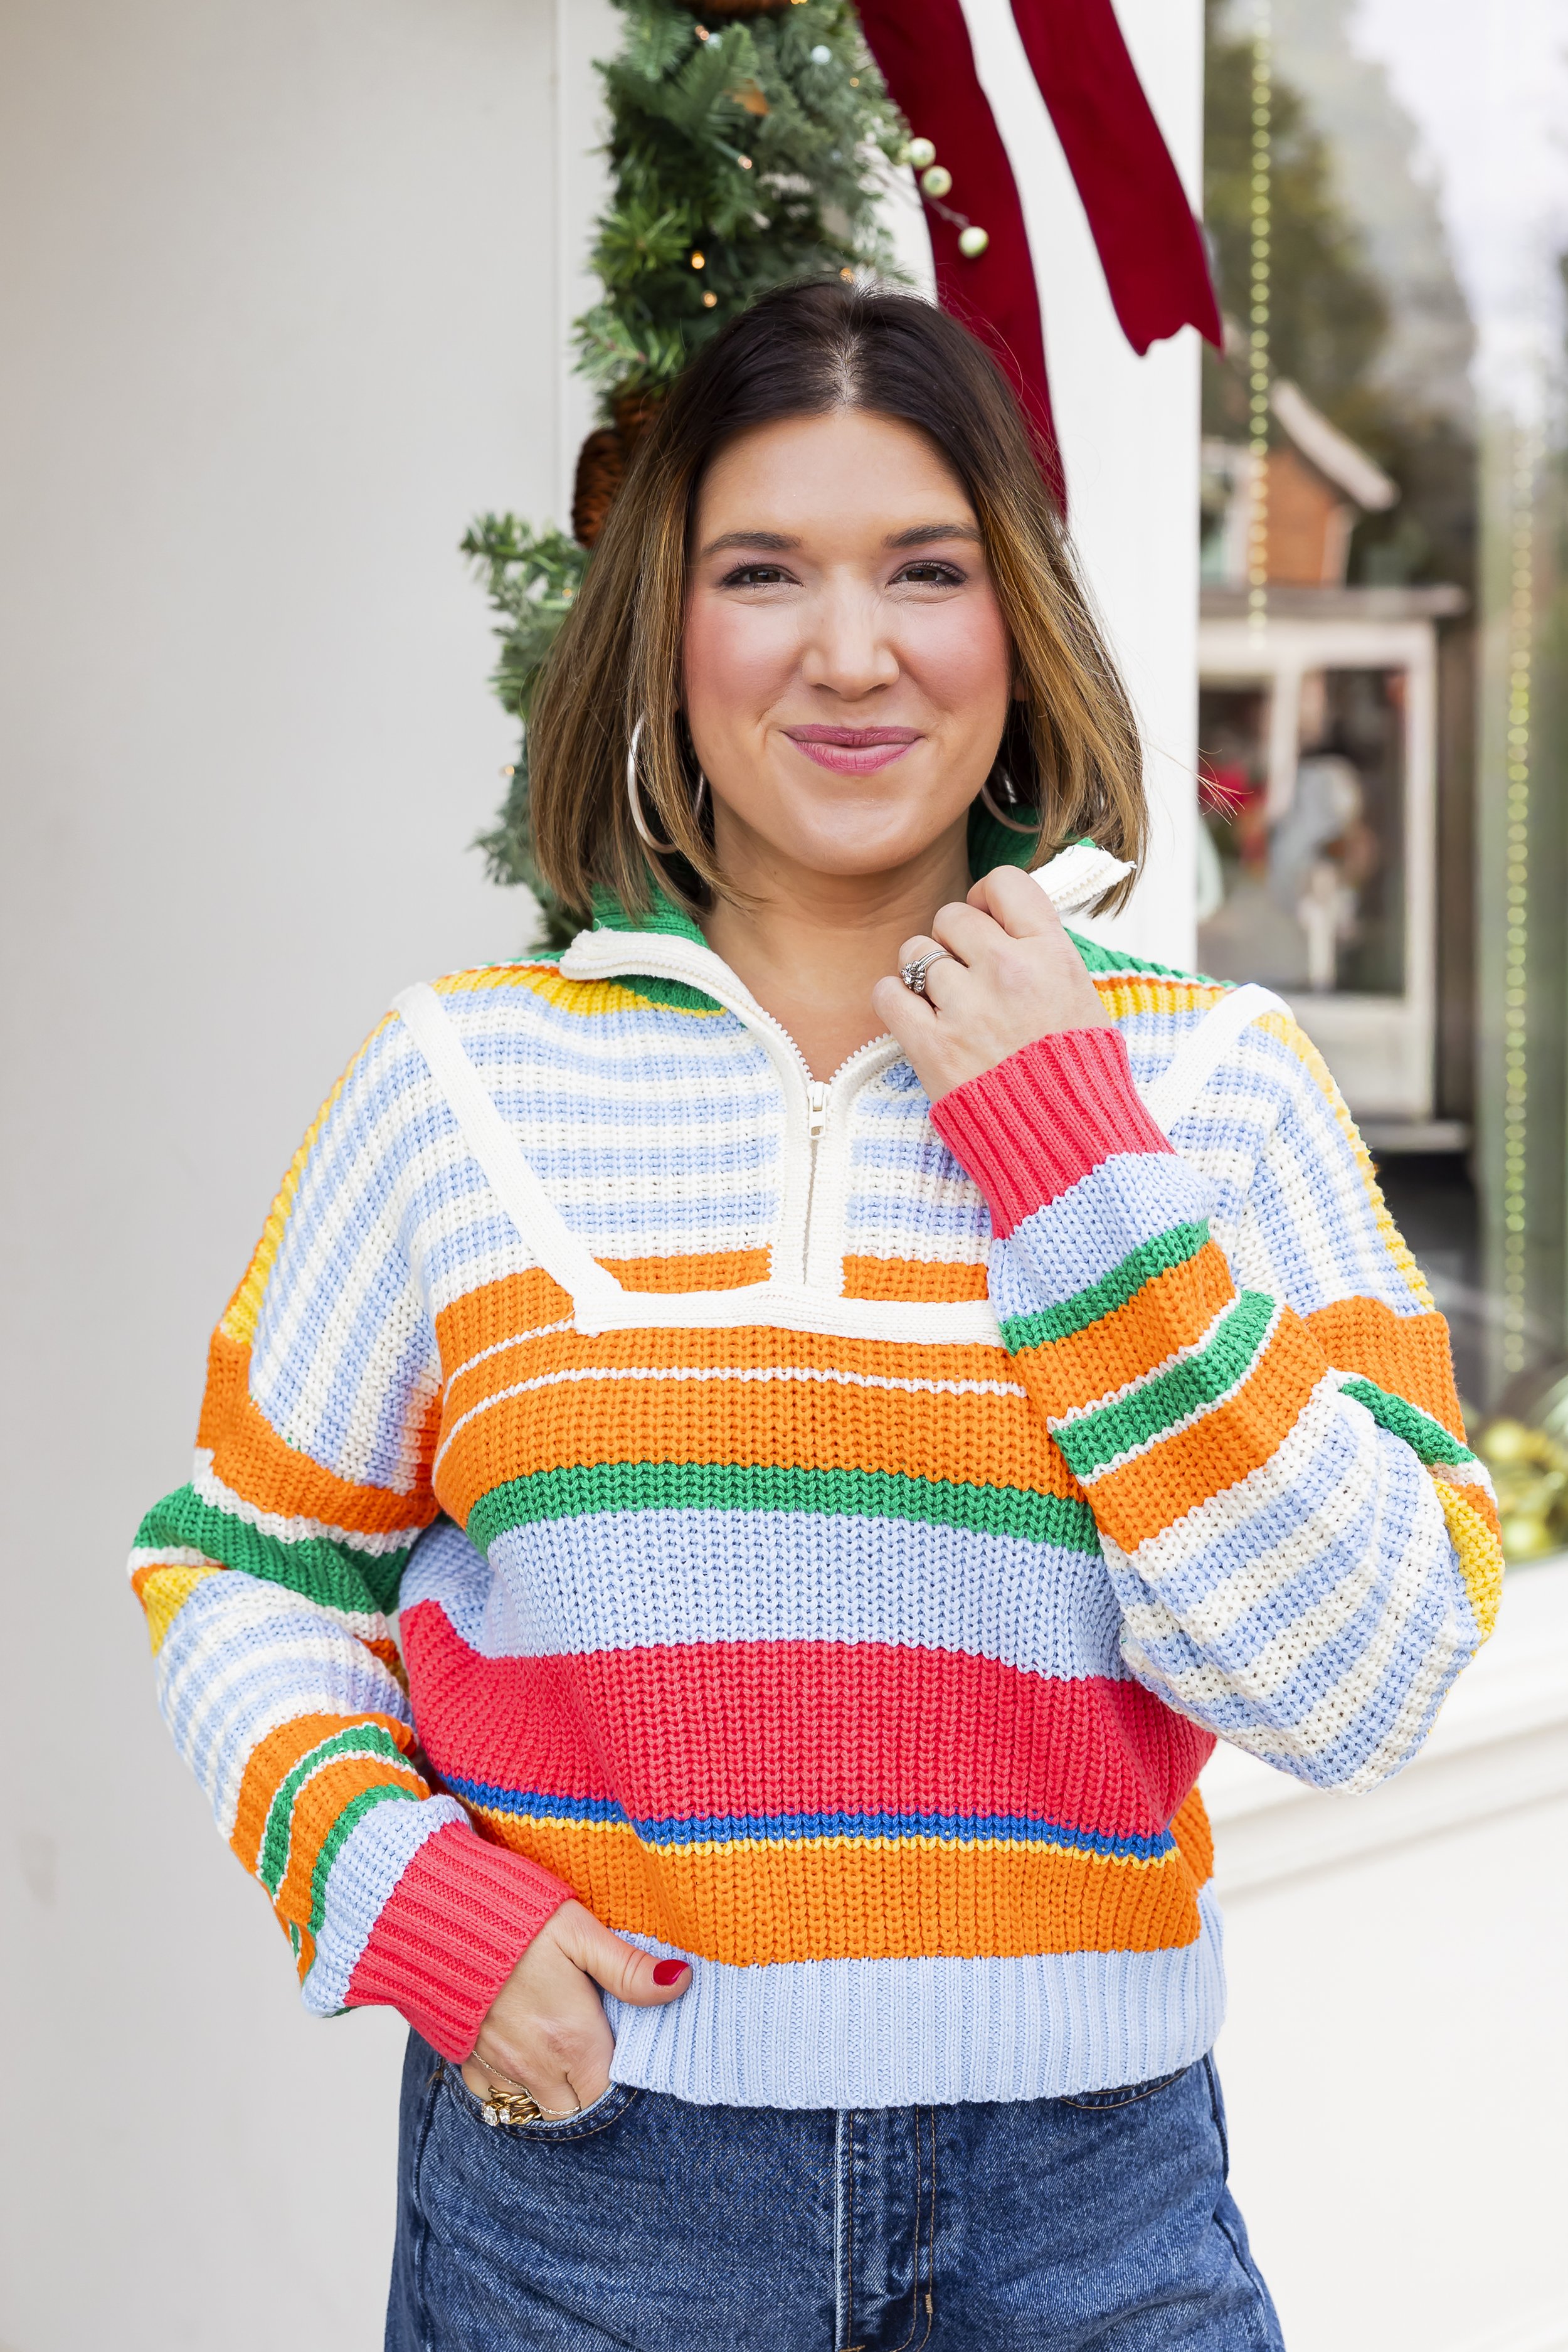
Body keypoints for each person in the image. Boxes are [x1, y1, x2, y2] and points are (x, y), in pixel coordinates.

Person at [130, 281, 1502, 2351]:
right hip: (594, 2211)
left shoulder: (1208, 1085)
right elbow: (235, 1572)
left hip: (1087, 2218)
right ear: (664, 637)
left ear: (1013, 623)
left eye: (923, 573)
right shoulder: (460, 1083)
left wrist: (1066, 1155)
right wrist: (408, 1897)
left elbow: (1364, 1679)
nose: (849, 652)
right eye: (761, 573)